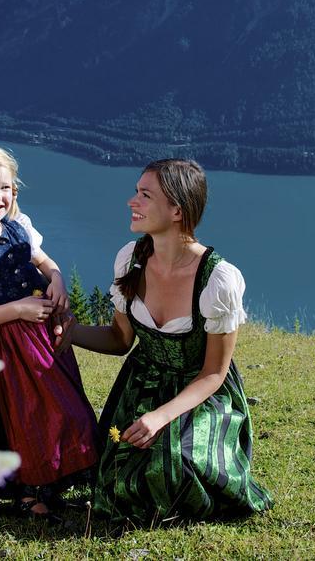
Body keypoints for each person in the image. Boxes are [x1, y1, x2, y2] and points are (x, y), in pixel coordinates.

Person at [62, 158, 273, 526]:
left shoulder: (218, 279)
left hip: (199, 395)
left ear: (177, 210)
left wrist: (160, 417)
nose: (132, 201)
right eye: (136, 192)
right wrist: (70, 331)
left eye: (145, 195)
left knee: (183, 467)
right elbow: (119, 339)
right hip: (139, 389)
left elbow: (213, 374)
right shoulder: (131, 260)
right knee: (128, 480)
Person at [0, 144, 98, 517]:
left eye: (4, 188)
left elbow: (43, 259)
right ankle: (29, 490)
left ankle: (61, 476)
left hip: (40, 340)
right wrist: (17, 309)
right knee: (22, 418)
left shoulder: (19, 227)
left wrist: (57, 278)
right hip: (3, 348)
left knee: (62, 408)